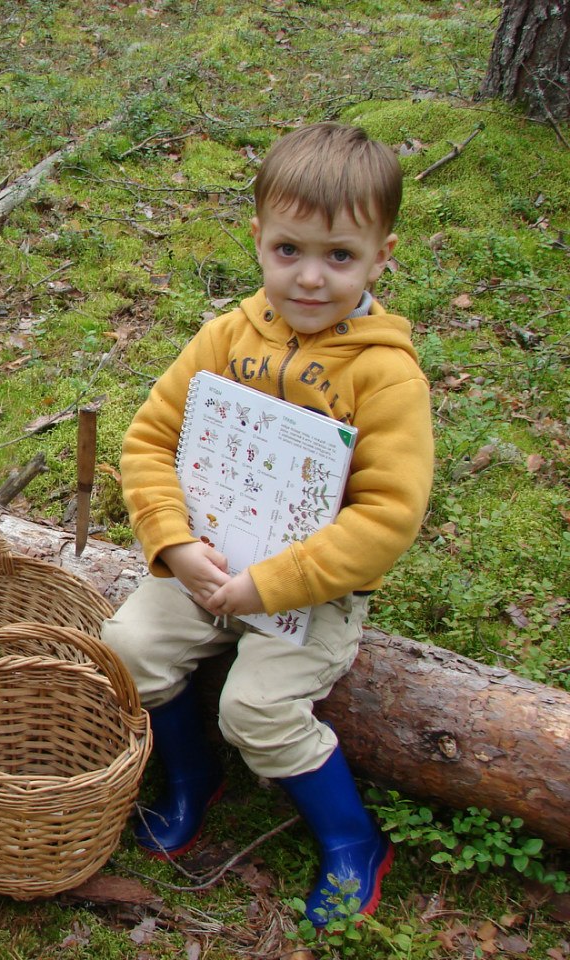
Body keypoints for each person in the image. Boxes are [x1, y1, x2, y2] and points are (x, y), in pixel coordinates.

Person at [102, 122, 434, 928]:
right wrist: (175, 545)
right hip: (205, 561)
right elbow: (149, 440)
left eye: (340, 257)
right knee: (128, 649)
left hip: (311, 592)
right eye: (289, 251)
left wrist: (269, 585)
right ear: (258, 241)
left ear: (382, 256)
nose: (311, 279)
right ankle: (191, 781)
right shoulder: (225, 337)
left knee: (255, 705)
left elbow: (388, 516)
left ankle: (353, 840)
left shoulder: (385, 375)